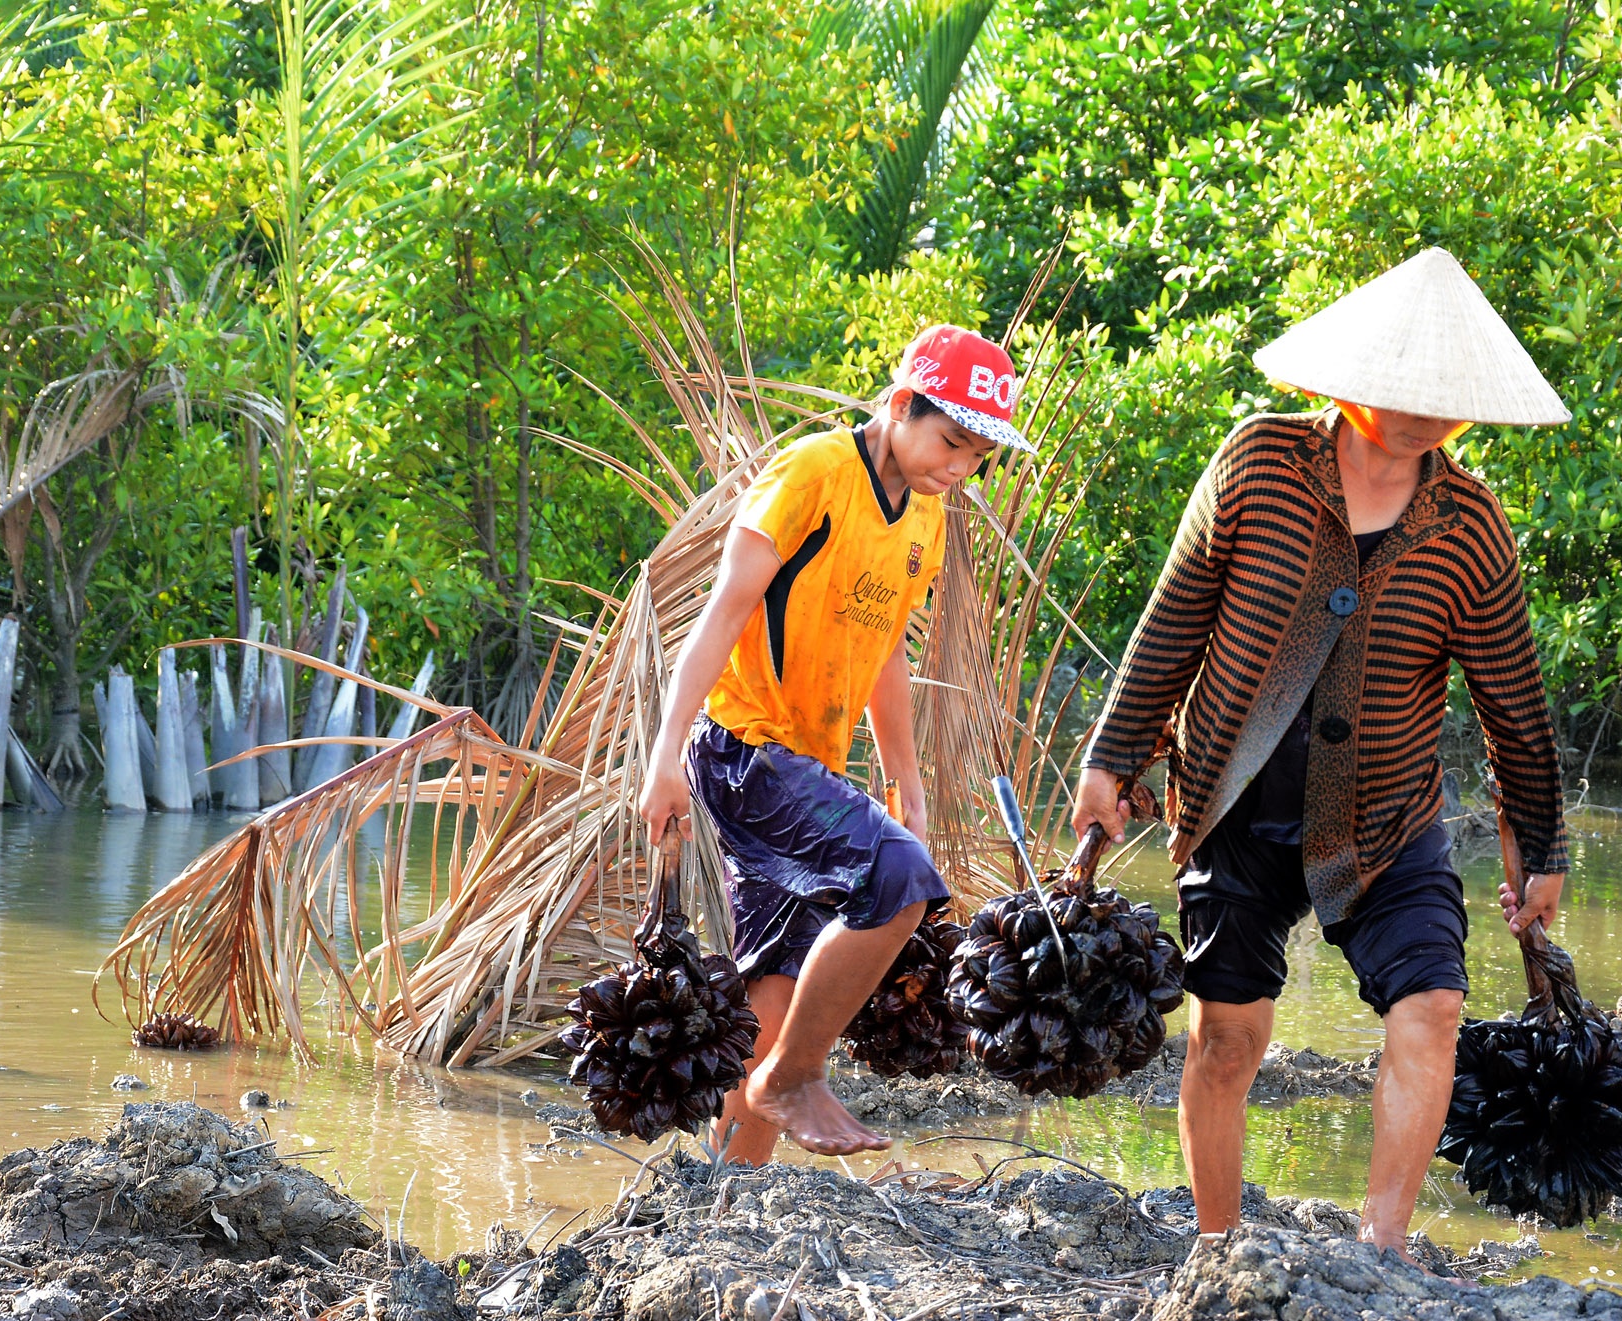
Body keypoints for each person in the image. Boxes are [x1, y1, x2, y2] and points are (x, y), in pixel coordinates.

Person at [1073, 248, 1572, 1256]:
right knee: (1229, 1040)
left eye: (1447, 395)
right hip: (1233, 804)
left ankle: (1380, 1248)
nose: (1427, 410)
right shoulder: (1258, 463)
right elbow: (1174, 619)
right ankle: (1219, 1247)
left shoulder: (1471, 527)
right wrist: (1113, 758)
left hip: (1387, 819)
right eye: (1405, 388)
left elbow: (1512, 702)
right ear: (1348, 380)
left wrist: (1543, 844)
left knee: (1431, 1006)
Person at [637, 324, 1032, 1161]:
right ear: (900, 407)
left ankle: (729, 1197)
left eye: (978, 458)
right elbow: (721, 615)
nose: (959, 467)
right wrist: (664, 754)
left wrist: (908, 788)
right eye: (949, 440)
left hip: (806, 765)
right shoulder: (813, 473)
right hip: (744, 750)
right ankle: (796, 1077)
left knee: (774, 993)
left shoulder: (923, 517)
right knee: (898, 878)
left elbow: (887, 651)